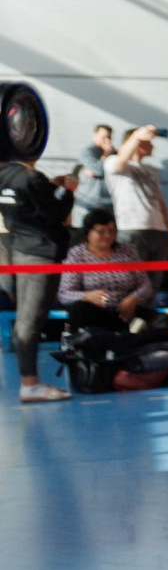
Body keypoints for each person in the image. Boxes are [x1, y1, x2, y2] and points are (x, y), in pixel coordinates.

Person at [3, 145, 76, 403]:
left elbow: (29, 204)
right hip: (40, 253)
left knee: (26, 320)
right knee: (30, 321)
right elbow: (55, 213)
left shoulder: (5, 175)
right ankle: (30, 384)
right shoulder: (32, 177)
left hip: (21, 250)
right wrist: (69, 191)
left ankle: (29, 381)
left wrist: (50, 186)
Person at [103, 124, 168, 307]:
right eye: (148, 142)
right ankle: (127, 319)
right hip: (132, 229)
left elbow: (160, 201)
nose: (152, 146)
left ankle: (145, 319)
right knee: (130, 281)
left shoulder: (151, 169)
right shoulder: (113, 162)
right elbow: (120, 161)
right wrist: (136, 136)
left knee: (152, 284)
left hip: (158, 231)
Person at [58, 209, 162, 336]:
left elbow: (145, 285)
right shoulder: (76, 255)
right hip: (96, 314)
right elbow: (65, 294)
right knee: (79, 310)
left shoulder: (128, 251)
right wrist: (87, 296)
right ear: (88, 232)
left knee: (161, 320)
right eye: (101, 231)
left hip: (126, 312)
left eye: (111, 231)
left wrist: (133, 299)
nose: (107, 236)